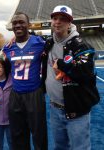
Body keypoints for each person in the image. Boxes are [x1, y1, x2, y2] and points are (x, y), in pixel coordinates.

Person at [43, 5, 100, 150]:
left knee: (80, 147)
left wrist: (62, 64)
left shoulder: (81, 46)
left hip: (76, 109)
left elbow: (85, 73)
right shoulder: (49, 43)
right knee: (60, 147)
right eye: (55, 18)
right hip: (55, 107)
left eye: (63, 19)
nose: (58, 22)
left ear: (70, 23)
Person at [2, 12, 47, 150]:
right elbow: (4, 69)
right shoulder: (8, 48)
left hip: (34, 93)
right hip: (16, 95)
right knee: (18, 134)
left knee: (39, 134)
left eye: (21, 22)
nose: (18, 25)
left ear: (29, 25)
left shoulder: (40, 43)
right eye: (15, 23)